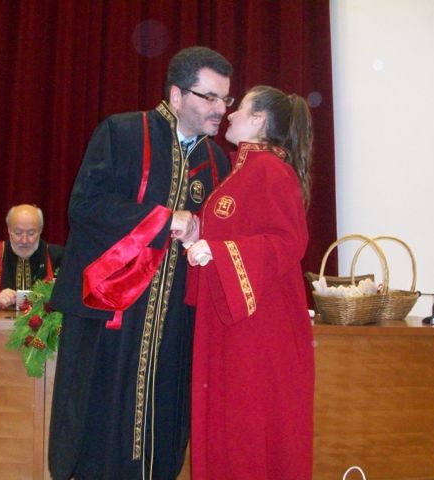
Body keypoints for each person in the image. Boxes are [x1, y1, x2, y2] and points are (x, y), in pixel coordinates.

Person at [48, 46, 233, 480]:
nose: (221, 109)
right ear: (176, 94)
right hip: (110, 314)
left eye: (226, 99)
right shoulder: (123, 132)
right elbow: (85, 207)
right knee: (99, 425)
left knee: (163, 429)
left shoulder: (217, 161)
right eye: (209, 97)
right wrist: (165, 221)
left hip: (176, 326)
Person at [183, 86, 315, 479]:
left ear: (258, 120)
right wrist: (197, 236)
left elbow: (288, 241)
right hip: (233, 322)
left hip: (258, 328)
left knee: (247, 424)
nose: (230, 113)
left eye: (239, 107)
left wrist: (218, 252)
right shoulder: (240, 172)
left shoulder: (272, 171)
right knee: (230, 423)